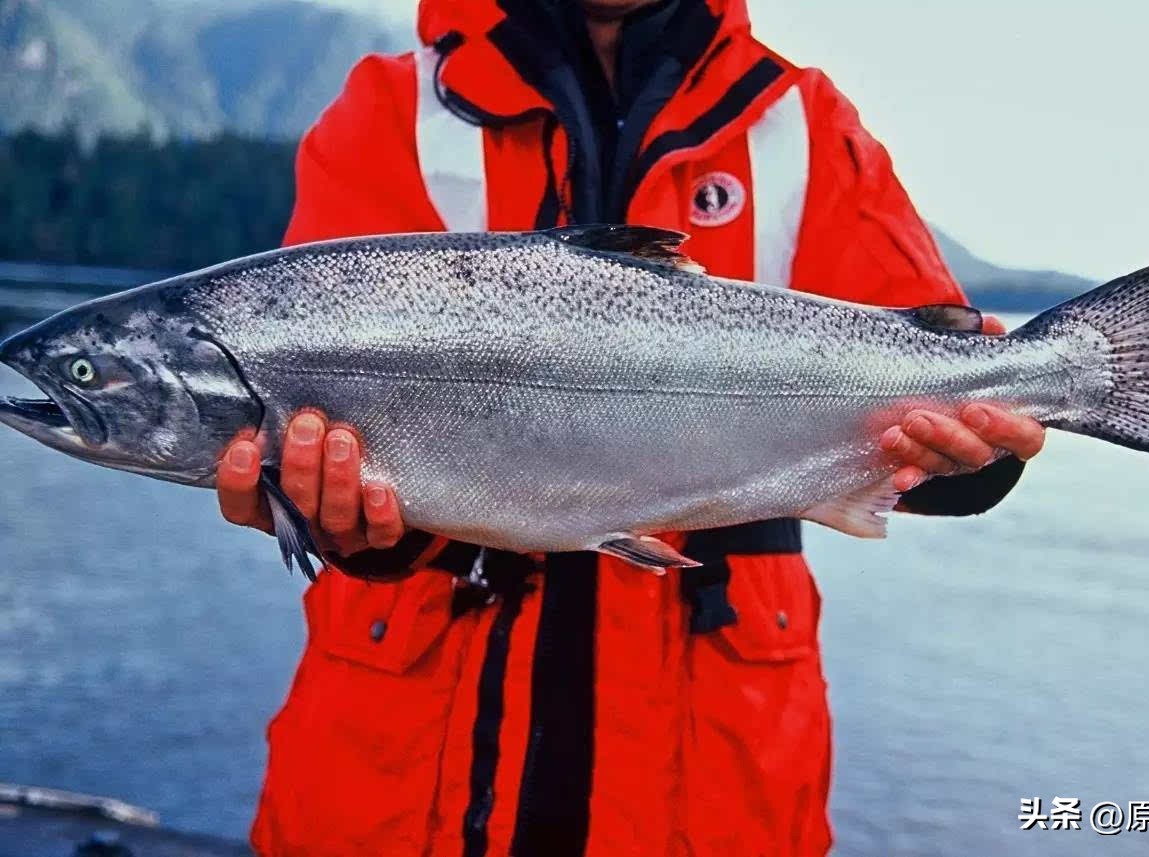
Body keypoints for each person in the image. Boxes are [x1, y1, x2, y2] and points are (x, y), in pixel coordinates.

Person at [218, 1, 1046, 854]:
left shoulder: (799, 123)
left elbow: (935, 363)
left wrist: (971, 454)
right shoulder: (395, 113)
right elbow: (335, 444)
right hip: (401, 785)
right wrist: (357, 526)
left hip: (714, 780)